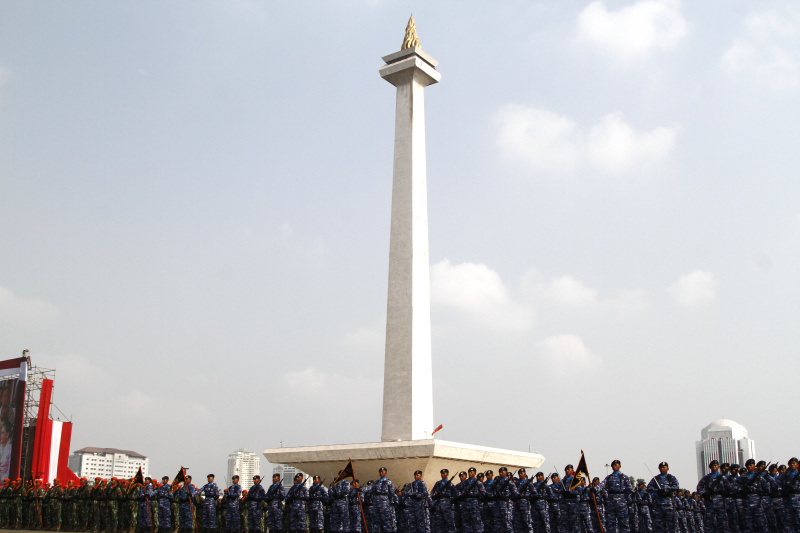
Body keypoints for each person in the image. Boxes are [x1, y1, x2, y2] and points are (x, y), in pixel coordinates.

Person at [646, 462, 680, 533]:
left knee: (671, 524)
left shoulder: (671, 478)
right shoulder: (656, 478)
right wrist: (657, 490)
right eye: (661, 467)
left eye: (664, 467)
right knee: (659, 524)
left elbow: (676, 487)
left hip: (669, 504)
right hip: (658, 504)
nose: (662, 469)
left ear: (667, 468)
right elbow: (649, 487)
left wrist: (666, 489)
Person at [697, 460, 728, 533]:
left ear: (718, 467)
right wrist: (703, 494)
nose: (714, 467)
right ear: (710, 467)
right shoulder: (707, 478)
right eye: (713, 466)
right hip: (710, 501)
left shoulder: (722, 477)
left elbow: (729, 488)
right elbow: (699, 487)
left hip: (720, 502)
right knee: (708, 522)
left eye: (716, 465)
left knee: (722, 522)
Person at [602, 460, 632, 533]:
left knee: (623, 523)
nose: (614, 466)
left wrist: (626, 499)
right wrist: (595, 489)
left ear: (620, 466)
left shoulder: (624, 477)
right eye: (613, 465)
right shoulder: (609, 477)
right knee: (610, 523)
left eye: (616, 465)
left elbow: (629, 489)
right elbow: (602, 484)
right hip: (611, 503)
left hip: (621, 503)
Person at [458, 467, 484, 533]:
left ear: (475, 473)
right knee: (466, 523)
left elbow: (483, 493)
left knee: (476, 522)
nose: (470, 473)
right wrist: (462, 495)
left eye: (472, 472)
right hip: (466, 504)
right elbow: (458, 490)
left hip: (474, 504)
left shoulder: (478, 483)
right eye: (469, 472)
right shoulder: (465, 482)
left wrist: (475, 495)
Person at [373, 467, 397, 533]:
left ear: (385, 473)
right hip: (377, 504)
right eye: (380, 472)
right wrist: (361, 489)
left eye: (382, 472)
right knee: (376, 521)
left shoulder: (388, 482)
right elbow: (371, 488)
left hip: (385, 504)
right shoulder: (376, 482)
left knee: (385, 521)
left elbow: (392, 493)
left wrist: (392, 502)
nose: (381, 473)